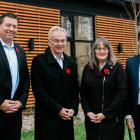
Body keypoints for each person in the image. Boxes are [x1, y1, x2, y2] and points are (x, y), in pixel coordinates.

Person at [31, 26, 79, 140]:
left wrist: (73, 108)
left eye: (63, 40)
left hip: (67, 117)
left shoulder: (71, 62)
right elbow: (38, 91)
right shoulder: (39, 61)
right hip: (47, 118)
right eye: (56, 40)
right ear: (49, 42)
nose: (60, 44)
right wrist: (58, 109)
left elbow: (75, 88)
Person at [80, 37, 127, 140]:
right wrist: (88, 112)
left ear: (109, 51)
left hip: (112, 121)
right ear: (94, 51)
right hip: (92, 121)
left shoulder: (117, 68)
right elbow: (83, 93)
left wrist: (106, 114)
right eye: (98, 48)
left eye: (105, 48)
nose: (102, 51)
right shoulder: (88, 69)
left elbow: (121, 94)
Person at [0, 13, 30, 140]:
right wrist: (0, 102)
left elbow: (26, 79)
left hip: (15, 112)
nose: (11, 29)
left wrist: (21, 101)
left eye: (15, 26)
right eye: (8, 25)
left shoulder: (20, 51)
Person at [125, 54, 140, 140]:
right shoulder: (131, 62)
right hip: (137, 112)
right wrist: (128, 115)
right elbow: (126, 91)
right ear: (138, 41)